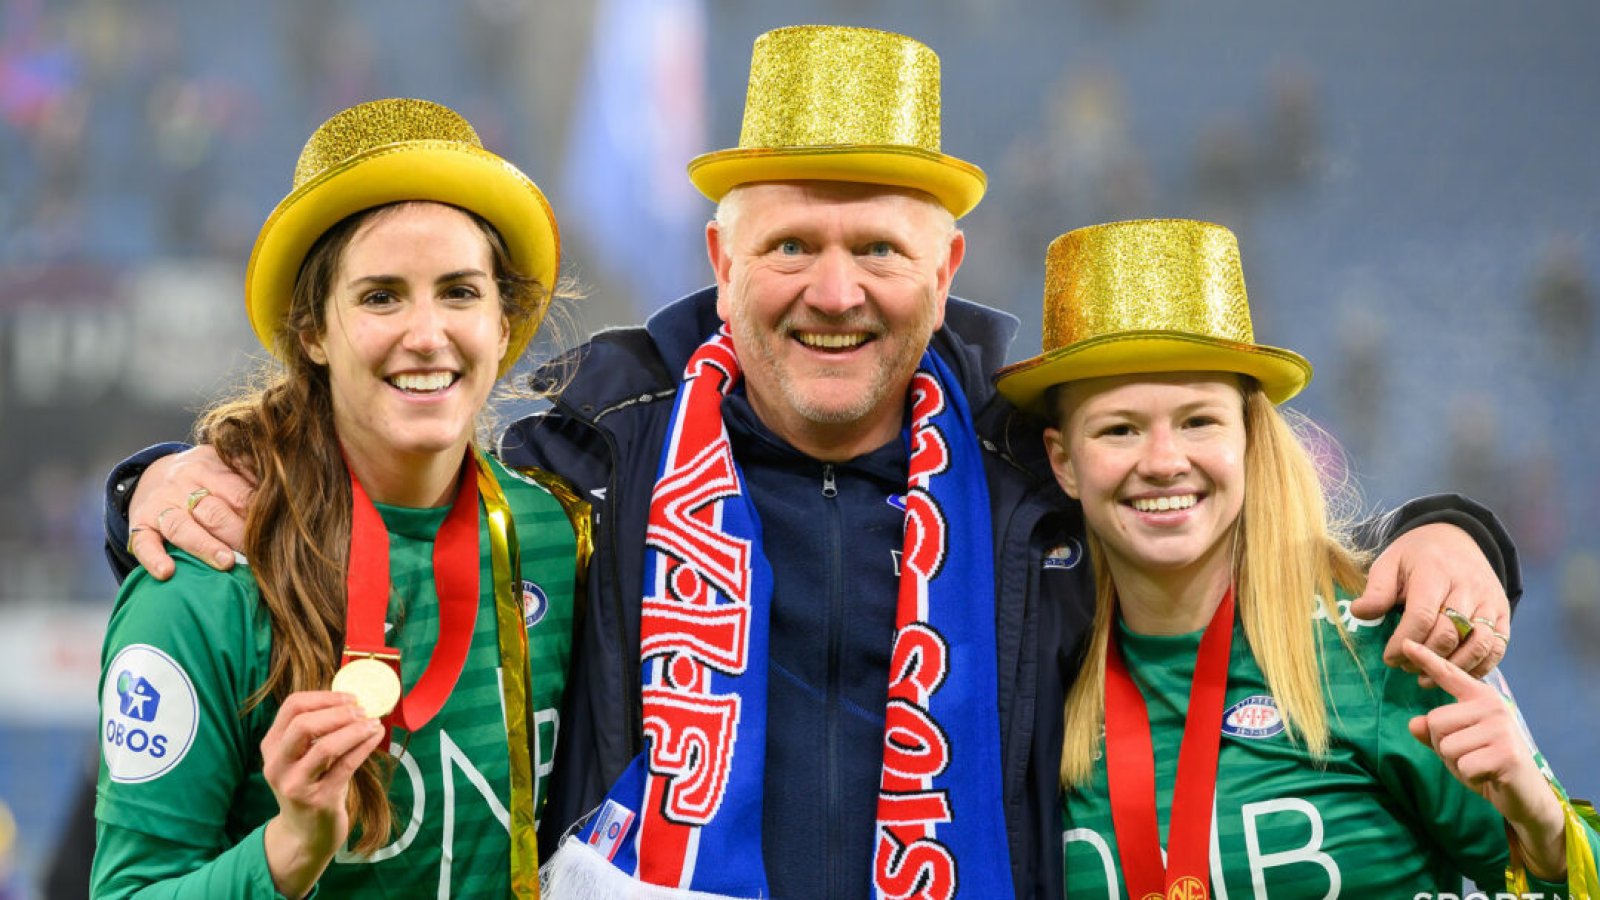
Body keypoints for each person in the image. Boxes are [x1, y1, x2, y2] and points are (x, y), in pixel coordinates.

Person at [104, 28, 1521, 900]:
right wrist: (159, 483)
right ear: (720, 261)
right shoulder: (595, 454)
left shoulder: (1034, 451)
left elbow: (1223, 498)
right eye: (789, 244)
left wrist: (1458, 530)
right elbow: (381, 485)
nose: (832, 291)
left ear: (946, 267)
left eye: (877, 251)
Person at [995, 218, 1599, 897]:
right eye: (1119, 429)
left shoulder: (1386, 649)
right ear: (1063, 462)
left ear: (1250, 439)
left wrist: (1546, 833)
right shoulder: (1034, 684)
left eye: (1198, 420)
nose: (1163, 462)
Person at [92, 98, 584, 897]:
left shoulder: (563, 537)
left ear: (505, 323)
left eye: (459, 292)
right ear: (312, 331)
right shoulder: (206, 570)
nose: (426, 334)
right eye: (381, 296)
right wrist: (287, 849)